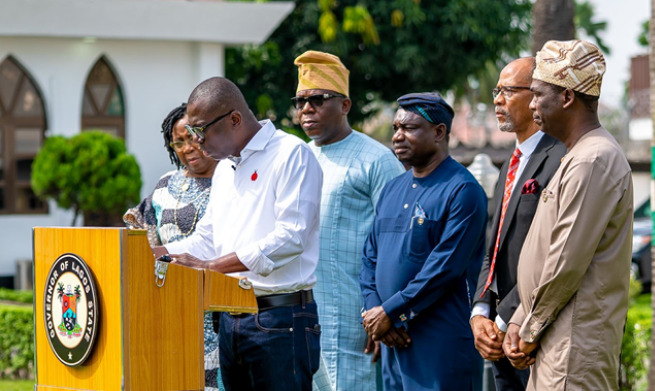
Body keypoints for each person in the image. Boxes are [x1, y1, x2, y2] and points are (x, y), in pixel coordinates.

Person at [153, 77, 323, 391]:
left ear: (234, 119)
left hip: (280, 318)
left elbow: (291, 237)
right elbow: (207, 239)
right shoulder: (225, 169)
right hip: (230, 319)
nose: (197, 143)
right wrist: (157, 254)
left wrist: (212, 267)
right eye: (192, 133)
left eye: (201, 131)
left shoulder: (290, 154)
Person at [504, 40, 633, 390]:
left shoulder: (593, 159)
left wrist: (528, 329)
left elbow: (565, 262)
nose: (531, 106)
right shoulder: (577, 156)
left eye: (537, 95)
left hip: (572, 351)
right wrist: (518, 320)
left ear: (566, 97)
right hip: (553, 343)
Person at [293, 50, 404, 391]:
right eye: (300, 102)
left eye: (317, 100)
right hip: (304, 315)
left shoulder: (376, 160)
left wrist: (386, 312)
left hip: (358, 319)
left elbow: (397, 242)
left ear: (345, 105)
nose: (306, 110)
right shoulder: (298, 158)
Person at [360, 92, 487, 390]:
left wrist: (389, 312)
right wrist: (375, 310)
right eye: (395, 128)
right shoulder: (393, 189)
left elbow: (444, 268)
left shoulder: (463, 190)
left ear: (439, 132)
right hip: (394, 340)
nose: (398, 136)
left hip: (440, 344)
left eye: (410, 128)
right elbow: (369, 258)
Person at [470, 58, 565, 391]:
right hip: (498, 334)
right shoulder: (509, 163)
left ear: (535, 95)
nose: (497, 99)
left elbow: (553, 255)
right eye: (497, 90)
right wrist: (480, 310)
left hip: (532, 332)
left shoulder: (561, 158)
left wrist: (504, 316)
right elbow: (492, 247)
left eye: (508, 90)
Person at [123, 103, 223, 390]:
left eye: (191, 138)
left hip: (214, 309)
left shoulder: (231, 180)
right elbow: (143, 230)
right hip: (165, 305)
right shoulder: (166, 183)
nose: (186, 148)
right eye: (177, 142)